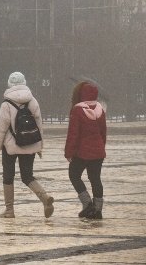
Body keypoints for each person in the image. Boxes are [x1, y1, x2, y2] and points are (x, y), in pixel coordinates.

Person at [0, 71, 53, 218]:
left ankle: (10, 210)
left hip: (10, 147)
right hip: (29, 143)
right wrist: (40, 146)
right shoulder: (33, 101)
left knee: (8, 176)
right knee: (27, 176)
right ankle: (44, 198)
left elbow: (1, 128)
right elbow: (39, 125)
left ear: (9, 84)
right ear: (24, 82)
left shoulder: (6, 104)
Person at [64, 80, 106, 219]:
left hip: (82, 152)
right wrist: (101, 147)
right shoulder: (100, 109)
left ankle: (87, 204)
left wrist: (69, 152)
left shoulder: (77, 110)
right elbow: (103, 132)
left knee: (74, 175)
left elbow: (73, 134)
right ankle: (97, 210)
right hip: (98, 151)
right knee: (95, 179)